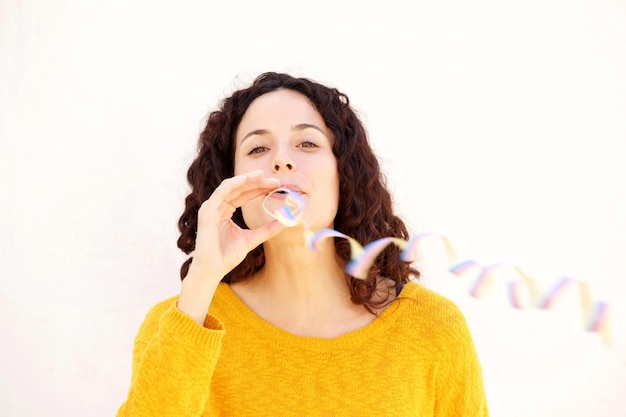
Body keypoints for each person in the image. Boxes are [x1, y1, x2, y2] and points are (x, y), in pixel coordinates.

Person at [117, 72, 489, 416]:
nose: (281, 160)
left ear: (344, 173)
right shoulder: (180, 324)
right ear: (229, 182)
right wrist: (202, 280)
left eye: (307, 143)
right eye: (258, 149)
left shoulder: (432, 328)